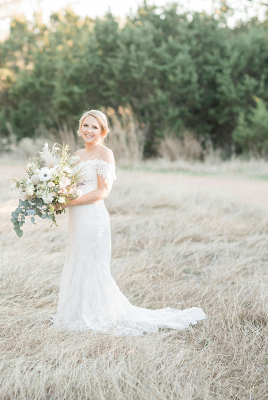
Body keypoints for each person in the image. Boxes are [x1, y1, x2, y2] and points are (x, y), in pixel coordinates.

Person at [52, 110, 206, 336]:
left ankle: (97, 313)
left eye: (95, 127)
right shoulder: (76, 155)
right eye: (86, 125)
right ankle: (76, 312)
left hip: (92, 216)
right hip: (76, 219)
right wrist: (57, 196)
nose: (89, 130)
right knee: (77, 258)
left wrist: (69, 203)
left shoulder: (105, 153)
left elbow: (102, 192)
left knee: (92, 263)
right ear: (80, 127)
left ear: (102, 130)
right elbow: (66, 183)